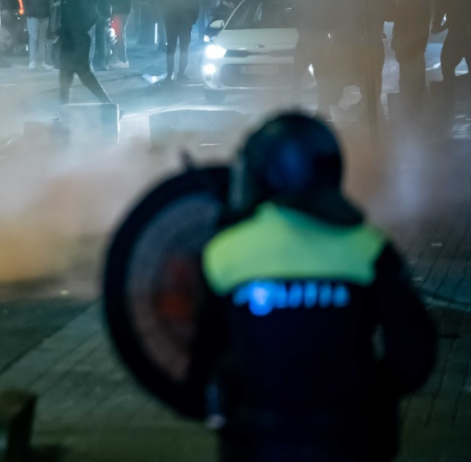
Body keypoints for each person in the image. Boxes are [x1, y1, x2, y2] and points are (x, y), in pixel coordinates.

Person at [185, 113, 436, 462]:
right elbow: (413, 359)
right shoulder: (369, 249)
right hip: (350, 443)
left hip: (256, 445)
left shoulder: (224, 253)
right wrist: (366, 397)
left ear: (263, 174)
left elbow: (198, 366)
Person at [52, 0, 113, 105]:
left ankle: (109, 105)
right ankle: (64, 112)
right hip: (69, 41)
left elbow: (94, 16)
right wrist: (63, 31)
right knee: (65, 77)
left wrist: (78, 29)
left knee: (84, 76)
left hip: (78, 42)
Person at [391, 0, 435, 115]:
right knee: (414, 76)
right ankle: (414, 108)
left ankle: (411, 108)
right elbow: (415, 21)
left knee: (408, 76)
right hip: (411, 43)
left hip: (407, 42)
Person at [291, 0, 333, 118]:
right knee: (319, 76)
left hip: (313, 40)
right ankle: (322, 109)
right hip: (312, 40)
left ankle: (316, 109)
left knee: (312, 76)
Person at [432, 0, 471, 100]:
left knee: (447, 63)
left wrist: (438, 25)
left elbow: (441, 9)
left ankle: (449, 98)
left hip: (458, 32)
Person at [162, 0, 198, 83]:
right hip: (172, 20)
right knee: (171, 47)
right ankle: (170, 72)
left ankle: (181, 72)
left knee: (184, 48)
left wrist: (192, 19)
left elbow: (195, 4)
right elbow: (162, 2)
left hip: (184, 21)